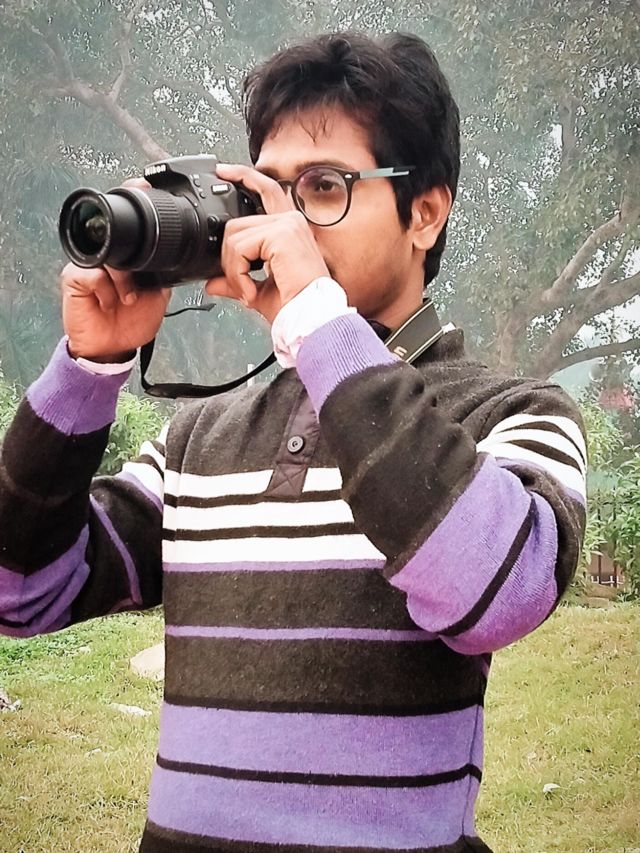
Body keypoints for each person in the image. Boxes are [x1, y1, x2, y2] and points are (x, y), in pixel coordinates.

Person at [0, 31, 586, 853]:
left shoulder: (513, 414)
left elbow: (494, 591)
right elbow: (20, 591)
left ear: (425, 212)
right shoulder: (198, 440)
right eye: (269, 190)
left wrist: (316, 321)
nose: (283, 223)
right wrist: (87, 368)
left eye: (323, 186)